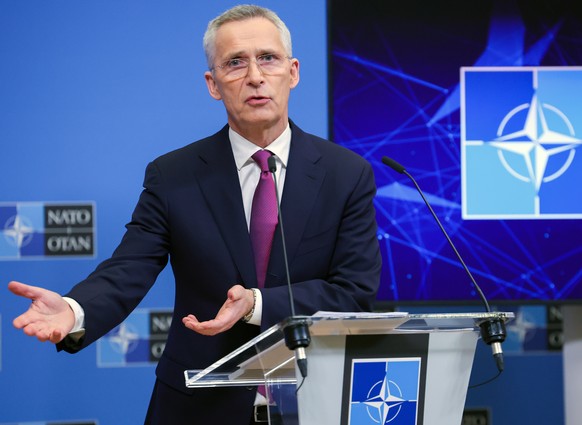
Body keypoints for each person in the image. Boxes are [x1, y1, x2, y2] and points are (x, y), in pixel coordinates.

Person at [8, 4, 381, 425]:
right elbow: (129, 267)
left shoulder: (345, 174)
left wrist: (257, 304)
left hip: (314, 402)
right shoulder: (174, 175)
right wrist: (75, 310)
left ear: (292, 72)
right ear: (213, 84)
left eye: (268, 59)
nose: (255, 76)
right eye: (235, 63)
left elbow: (355, 293)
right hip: (198, 405)